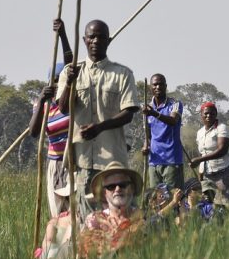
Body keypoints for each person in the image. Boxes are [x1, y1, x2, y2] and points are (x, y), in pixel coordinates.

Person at [56, 20, 140, 213]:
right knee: (87, 219)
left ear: (108, 41)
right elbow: (63, 108)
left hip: (113, 159)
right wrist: (70, 82)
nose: (95, 41)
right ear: (85, 40)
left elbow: (128, 114)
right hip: (84, 159)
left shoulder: (122, 74)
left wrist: (99, 127)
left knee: (119, 216)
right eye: (91, 37)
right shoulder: (71, 72)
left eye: (101, 37)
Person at [29, 18, 73, 217]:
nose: (57, 85)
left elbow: (71, 62)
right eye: (54, 81)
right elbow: (34, 132)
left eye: (60, 81)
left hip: (73, 161)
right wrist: (41, 100)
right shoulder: (44, 105)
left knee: (75, 213)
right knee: (58, 214)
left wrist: (63, 34)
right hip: (55, 163)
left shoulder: (71, 99)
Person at [79, 162, 144, 258]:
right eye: (111, 186)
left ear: (132, 189)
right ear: (104, 193)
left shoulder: (144, 218)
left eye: (123, 185)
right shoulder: (95, 220)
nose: (117, 189)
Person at [189, 101, 229, 209]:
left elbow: (222, 150)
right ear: (201, 115)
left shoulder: (222, 128)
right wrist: (200, 174)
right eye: (206, 113)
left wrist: (199, 160)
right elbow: (203, 153)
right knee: (209, 206)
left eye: (212, 113)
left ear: (216, 114)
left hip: (225, 173)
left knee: (228, 207)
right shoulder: (200, 132)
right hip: (208, 176)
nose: (208, 116)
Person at [142, 73, 184, 191]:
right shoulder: (147, 108)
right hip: (154, 161)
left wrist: (154, 113)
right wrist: (146, 146)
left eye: (161, 84)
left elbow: (173, 121)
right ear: (151, 88)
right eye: (155, 85)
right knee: (155, 199)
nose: (158, 87)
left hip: (172, 160)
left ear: (166, 86)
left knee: (173, 199)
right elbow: (148, 135)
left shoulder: (175, 104)